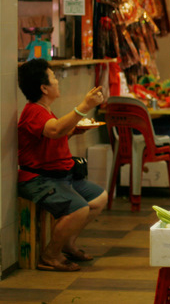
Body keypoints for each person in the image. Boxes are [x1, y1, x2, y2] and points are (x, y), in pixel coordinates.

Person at [17, 59, 107, 272]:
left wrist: (74, 130)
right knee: (79, 209)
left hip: (60, 175)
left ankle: (67, 244)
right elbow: (55, 131)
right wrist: (85, 106)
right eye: (54, 78)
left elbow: (56, 133)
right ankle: (50, 256)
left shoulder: (44, 110)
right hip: (38, 179)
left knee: (98, 198)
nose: (58, 82)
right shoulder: (33, 112)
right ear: (44, 88)